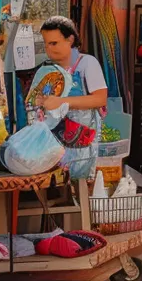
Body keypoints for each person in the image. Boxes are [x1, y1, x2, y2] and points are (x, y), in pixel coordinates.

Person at [35, 15, 110, 181]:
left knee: (79, 181)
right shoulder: (48, 69)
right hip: (55, 136)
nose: (48, 48)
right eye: (46, 44)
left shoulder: (87, 64)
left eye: (54, 43)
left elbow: (100, 99)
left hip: (81, 135)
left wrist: (61, 102)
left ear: (70, 39)